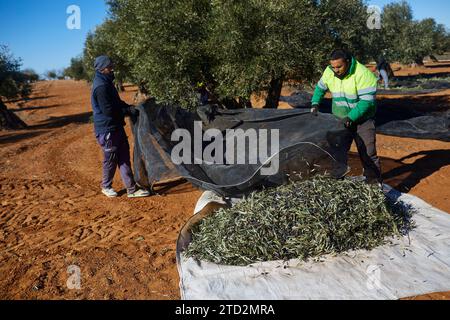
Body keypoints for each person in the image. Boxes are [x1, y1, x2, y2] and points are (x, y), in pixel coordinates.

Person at [311, 49, 382, 184]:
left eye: (339, 66)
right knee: (337, 151)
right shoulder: (329, 71)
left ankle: (374, 185)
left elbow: (366, 102)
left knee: (368, 153)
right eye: (333, 67)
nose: (335, 70)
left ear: (348, 62)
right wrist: (315, 103)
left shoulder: (363, 74)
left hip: (363, 120)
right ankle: (337, 182)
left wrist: (350, 117)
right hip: (340, 119)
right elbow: (320, 88)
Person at [91, 55, 151, 198]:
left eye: (112, 66)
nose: (112, 69)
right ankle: (106, 186)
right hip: (107, 129)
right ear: (101, 68)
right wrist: (127, 111)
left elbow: (116, 103)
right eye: (109, 67)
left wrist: (129, 107)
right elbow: (109, 111)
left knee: (124, 156)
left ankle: (132, 189)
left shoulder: (107, 82)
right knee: (111, 158)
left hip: (116, 126)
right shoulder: (101, 86)